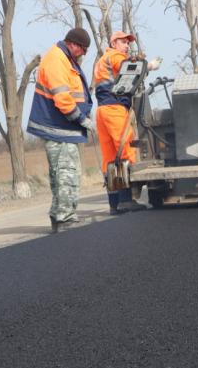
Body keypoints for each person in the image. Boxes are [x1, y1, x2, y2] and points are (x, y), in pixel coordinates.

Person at [26, 28, 95, 233]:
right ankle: (65, 219)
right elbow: (63, 99)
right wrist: (83, 120)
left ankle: (60, 217)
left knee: (61, 173)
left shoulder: (65, 58)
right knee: (66, 174)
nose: (83, 53)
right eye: (82, 49)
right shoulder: (57, 59)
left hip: (63, 129)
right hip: (58, 127)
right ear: (73, 44)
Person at [93, 31, 147, 215]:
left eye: (127, 42)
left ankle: (114, 203)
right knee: (125, 151)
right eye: (123, 42)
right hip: (115, 108)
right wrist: (148, 65)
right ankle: (126, 199)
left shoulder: (101, 61)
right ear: (114, 43)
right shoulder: (116, 56)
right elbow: (128, 67)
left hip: (102, 111)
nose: (126, 46)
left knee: (109, 157)